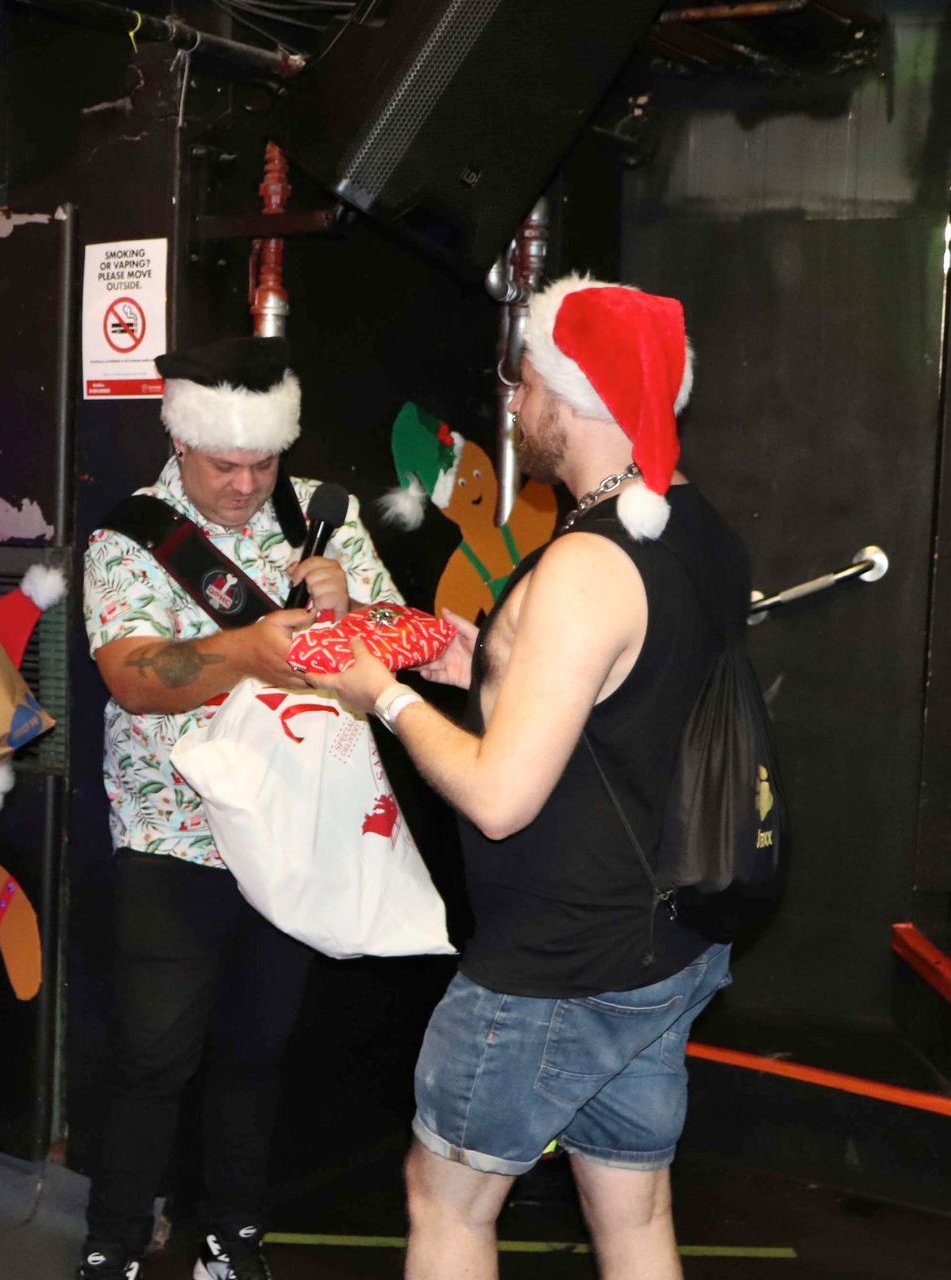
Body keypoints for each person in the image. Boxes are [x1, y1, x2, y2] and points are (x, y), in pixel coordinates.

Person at [309, 277, 749, 1280]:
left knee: (447, 1201)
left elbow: (499, 798)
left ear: (576, 398)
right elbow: (626, 694)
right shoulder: (693, 525)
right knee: (633, 1212)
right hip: (662, 946)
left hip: (559, 968)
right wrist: (491, 666)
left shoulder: (587, 566)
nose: (514, 400)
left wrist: (383, 692)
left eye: (530, 381)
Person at [78, 335, 401, 1280]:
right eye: (226, 464)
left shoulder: (322, 514)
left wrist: (354, 612)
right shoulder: (129, 536)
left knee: (259, 1049)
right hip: (172, 835)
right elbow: (132, 677)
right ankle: (114, 1242)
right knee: (151, 1056)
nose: (246, 484)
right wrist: (249, 651)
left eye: (263, 463)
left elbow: (403, 644)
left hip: (295, 831)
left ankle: (234, 1236)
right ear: (180, 442)